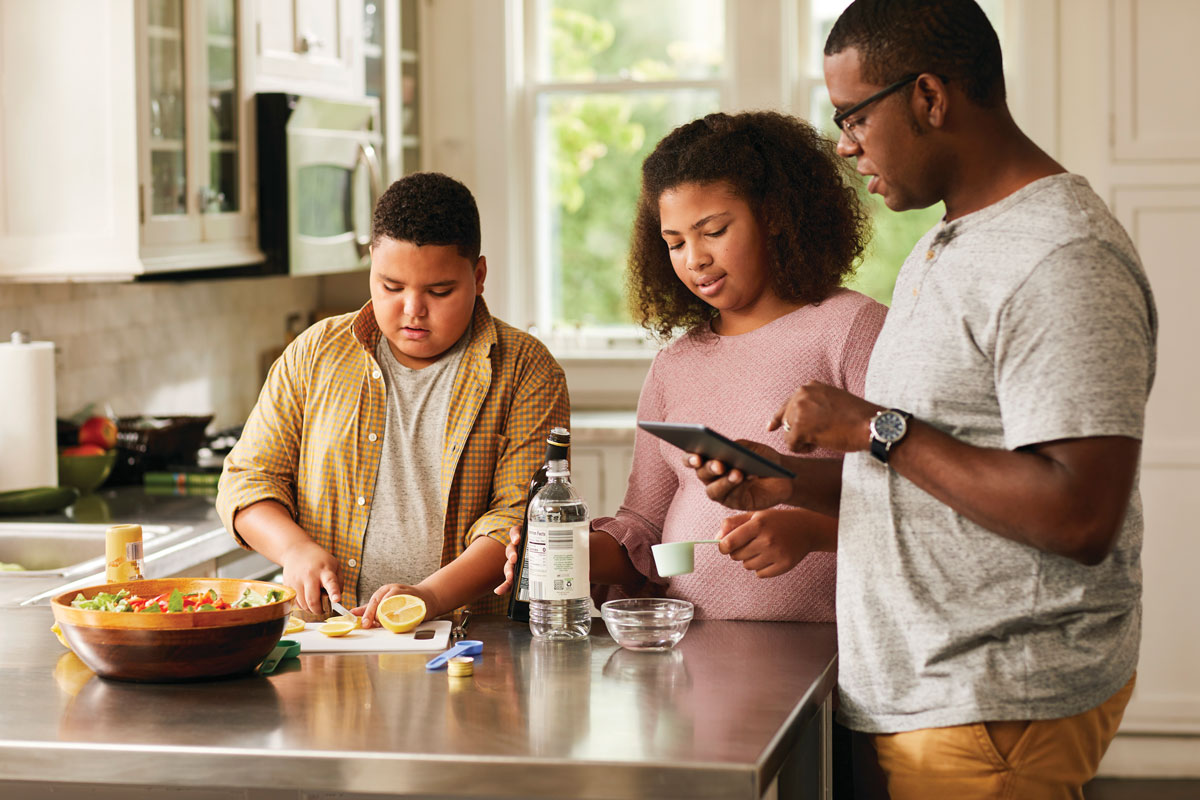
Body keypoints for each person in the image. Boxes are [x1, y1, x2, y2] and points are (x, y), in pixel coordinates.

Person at [691, 2, 1157, 798]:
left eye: (853, 117)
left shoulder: (1060, 258)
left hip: (993, 701)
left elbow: (1079, 515)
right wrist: (792, 478)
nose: (843, 144)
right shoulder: (952, 242)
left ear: (930, 97)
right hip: (937, 699)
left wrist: (873, 425)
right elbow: (944, 473)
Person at [499, 109, 887, 621]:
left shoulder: (851, 328)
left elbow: (911, 498)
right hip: (689, 651)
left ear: (774, 214)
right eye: (675, 242)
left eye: (714, 231)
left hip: (821, 650)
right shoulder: (674, 364)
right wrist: (569, 550)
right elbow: (646, 526)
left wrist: (814, 536)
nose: (694, 259)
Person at [218, 172, 570, 626]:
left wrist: (429, 596)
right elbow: (247, 479)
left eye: (439, 291)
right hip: (327, 639)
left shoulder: (526, 370)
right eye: (391, 286)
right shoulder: (316, 351)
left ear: (478, 275)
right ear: (371, 266)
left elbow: (519, 522)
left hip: (469, 645)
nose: (412, 310)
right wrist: (294, 549)